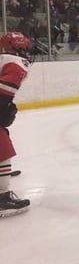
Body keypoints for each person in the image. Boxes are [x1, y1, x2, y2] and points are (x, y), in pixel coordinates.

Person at [0, 33, 32, 217]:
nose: (26, 52)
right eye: (23, 48)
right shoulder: (14, 61)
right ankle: (2, 198)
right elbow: (4, 93)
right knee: (2, 148)